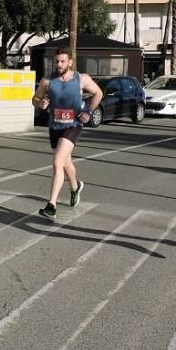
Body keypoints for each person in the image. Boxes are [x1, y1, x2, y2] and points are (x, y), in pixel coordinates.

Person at [31, 47, 103, 220]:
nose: (59, 64)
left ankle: (51, 206)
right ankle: (75, 186)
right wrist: (39, 104)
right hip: (55, 126)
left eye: (63, 61)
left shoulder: (81, 79)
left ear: (70, 62)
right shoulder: (47, 81)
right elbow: (35, 98)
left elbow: (98, 93)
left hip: (74, 124)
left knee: (57, 161)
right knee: (65, 163)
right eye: (57, 61)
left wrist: (88, 111)